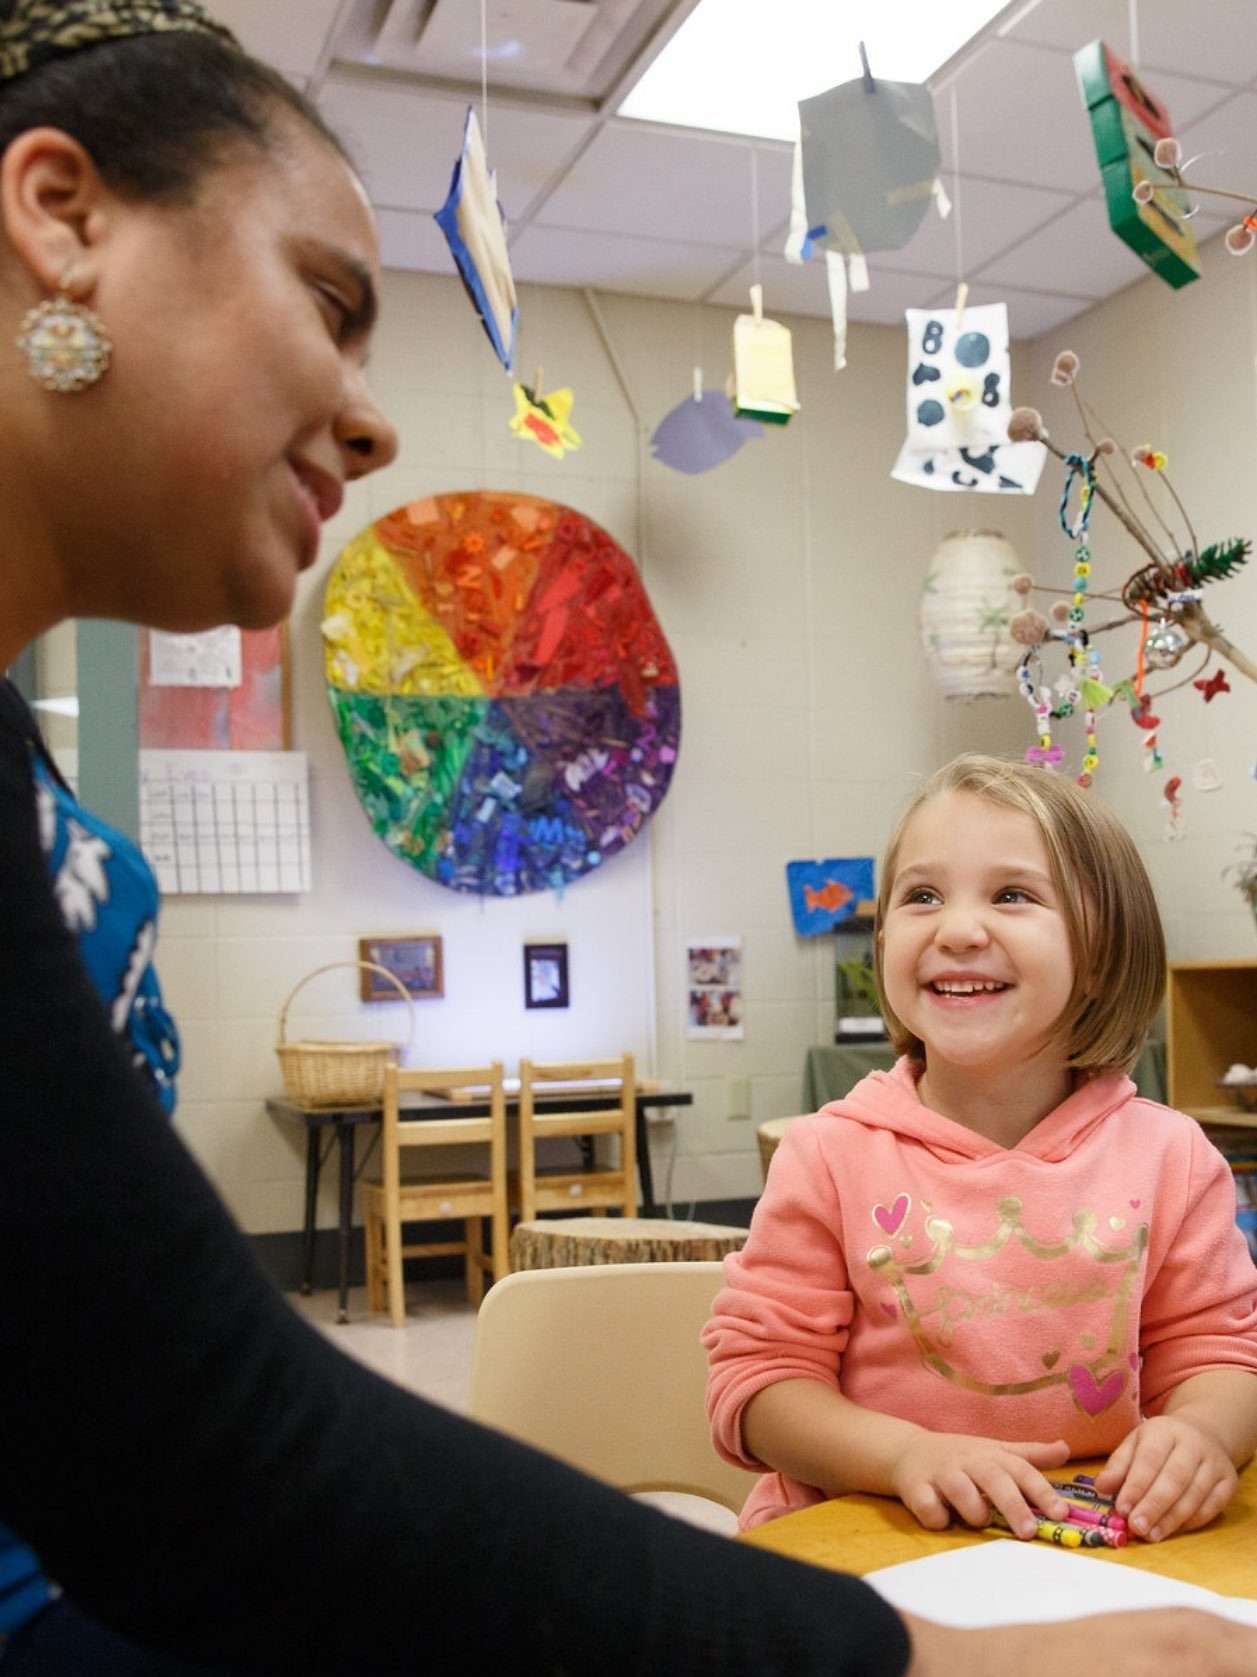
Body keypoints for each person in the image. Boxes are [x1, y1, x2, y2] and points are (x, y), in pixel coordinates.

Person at [1, 4, 1256, 1673]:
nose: (372, 424)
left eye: (1014, 893)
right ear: (62, 214)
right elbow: (224, 1456)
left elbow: (168, 1439)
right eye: (329, 303)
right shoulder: (839, 1156)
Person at [706, 754, 1257, 1548]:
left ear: (1101, 953)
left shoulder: (1171, 1156)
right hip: (863, 1539)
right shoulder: (827, 1154)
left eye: (1012, 895)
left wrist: (1204, 1432)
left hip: (1093, 1547)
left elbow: (1220, 1355)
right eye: (921, 895)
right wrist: (904, 1455)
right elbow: (756, 1388)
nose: (957, 929)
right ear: (885, 934)